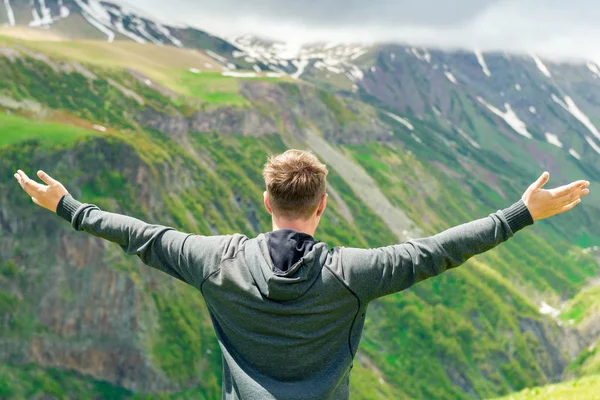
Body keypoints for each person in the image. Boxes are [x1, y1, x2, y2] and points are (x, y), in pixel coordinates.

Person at [14, 149, 590, 400]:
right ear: (322, 207)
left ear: (267, 200)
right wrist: (520, 213)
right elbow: (437, 250)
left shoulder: (216, 261)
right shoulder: (353, 274)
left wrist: (68, 206)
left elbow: (140, 235)